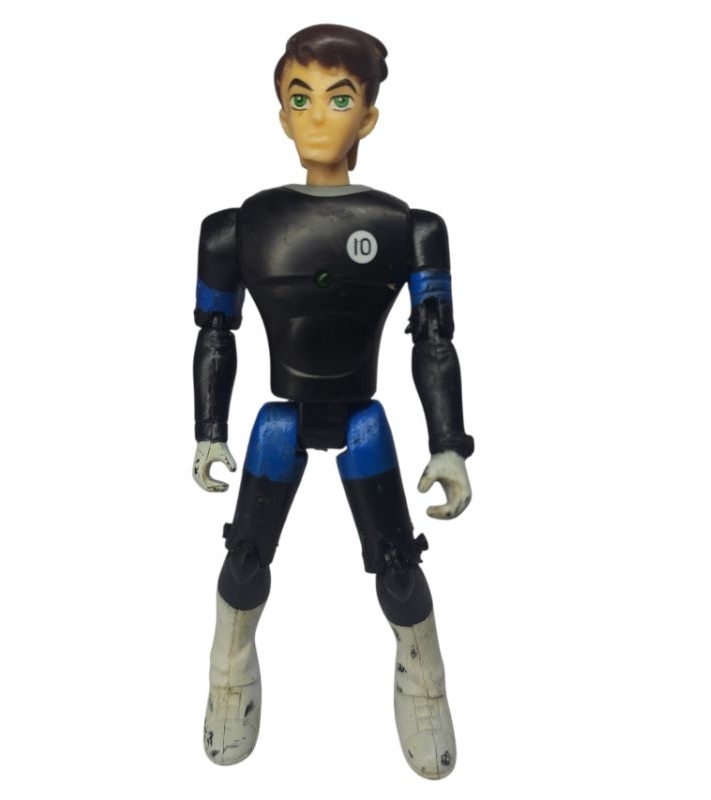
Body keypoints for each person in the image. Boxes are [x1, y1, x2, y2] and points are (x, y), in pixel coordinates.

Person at [192, 24, 473, 780]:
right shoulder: (237, 228)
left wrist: (448, 443)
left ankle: (425, 679)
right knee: (245, 558)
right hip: (278, 420)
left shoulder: (409, 228)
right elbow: (216, 332)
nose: (318, 115)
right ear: (282, 114)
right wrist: (210, 429)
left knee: (399, 566)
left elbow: (434, 339)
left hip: (362, 416)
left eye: (339, 99)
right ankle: (228, 669)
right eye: (301, 98)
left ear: (369, 116)